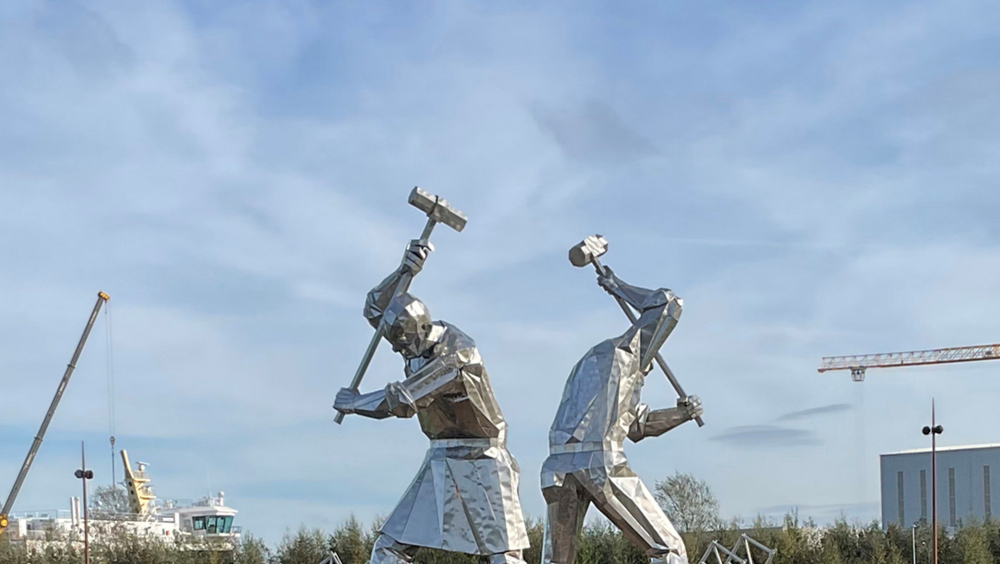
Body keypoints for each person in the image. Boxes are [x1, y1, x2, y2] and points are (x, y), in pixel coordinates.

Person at [335, 240, 529, 564]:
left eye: (403, 344)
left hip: (481, 458)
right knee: (388, 547)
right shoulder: (412, 339)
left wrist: (356, 403)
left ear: (423, 328)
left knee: (502, 558)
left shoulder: (458, 354)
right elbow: (374, 307)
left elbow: (404, 400)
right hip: (440, 458)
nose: (399, 352)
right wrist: (403, 270)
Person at [540, 267, 703, 564]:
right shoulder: (626, 355)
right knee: (670, 551)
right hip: (600, 462)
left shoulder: (595, 360)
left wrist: (680, 415)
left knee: (557, 561)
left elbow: (636, 425)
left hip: (557, 466)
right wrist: (618, 286)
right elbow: (668, 304)